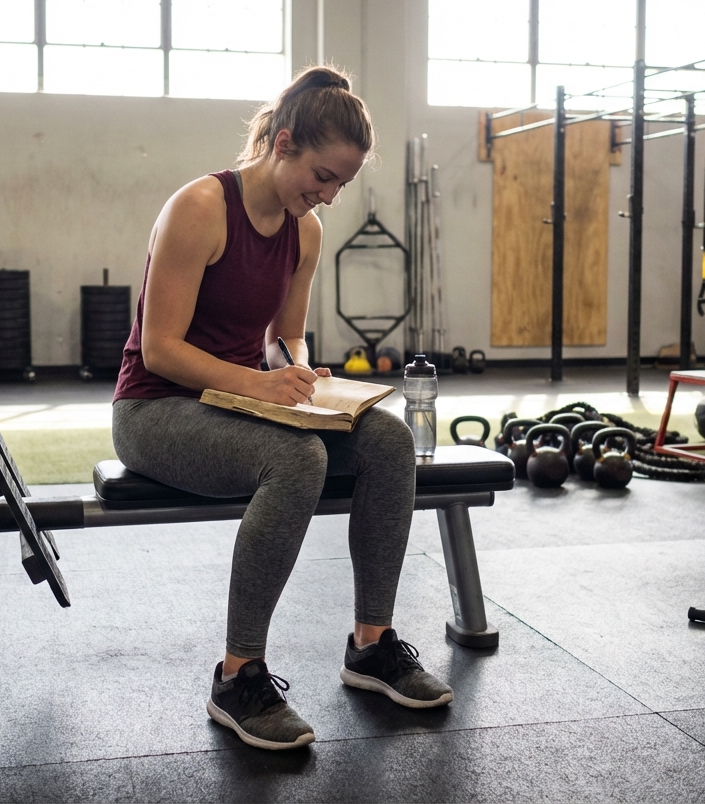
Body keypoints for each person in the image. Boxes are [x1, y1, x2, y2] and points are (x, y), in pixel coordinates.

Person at [111, 66, 452, 752]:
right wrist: (257, 385)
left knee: (389, 441)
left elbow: (282, 337)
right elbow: (160, 350)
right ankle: (237, 677)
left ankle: (372, 644)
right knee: (297, 459)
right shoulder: (200, 208)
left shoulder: (306, 232)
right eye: (321, 176)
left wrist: (293, 367)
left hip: (240, 404)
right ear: (284, 142)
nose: (326, 195)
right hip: (155, 411)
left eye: (339, 185)